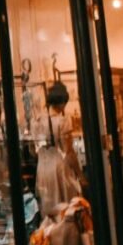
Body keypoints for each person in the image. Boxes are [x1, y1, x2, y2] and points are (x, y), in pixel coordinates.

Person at [34, 81, 84, 219]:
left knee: (48, 208)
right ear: (62, 102)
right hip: (58, 168)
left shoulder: (37, 120)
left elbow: (35, 149)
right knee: (66, 208)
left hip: (42, 169)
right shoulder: (62, 121)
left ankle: (50, 236)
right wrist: (80, 175)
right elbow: (69, 152)